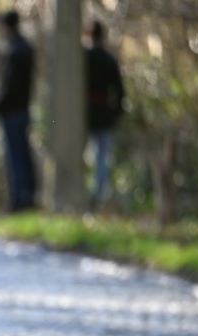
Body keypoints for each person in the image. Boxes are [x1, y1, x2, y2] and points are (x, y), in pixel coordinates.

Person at [0, 9, 37, 211]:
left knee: (15, 156)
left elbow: (8, 85)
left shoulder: (14, 51)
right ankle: (28, 195)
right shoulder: (25, 48)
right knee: (24, 153)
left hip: (12, 112)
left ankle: (20, 200)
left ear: (7, 26)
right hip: (23, 108)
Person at [85, 20, 125, 208]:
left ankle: (94, 196)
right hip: (103, 114)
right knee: (101, 157)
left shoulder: (83, 58)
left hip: (85, 115)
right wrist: (116, 113)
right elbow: (119, 91)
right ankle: (97, 194)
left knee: (93, 156)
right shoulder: (108, 59)